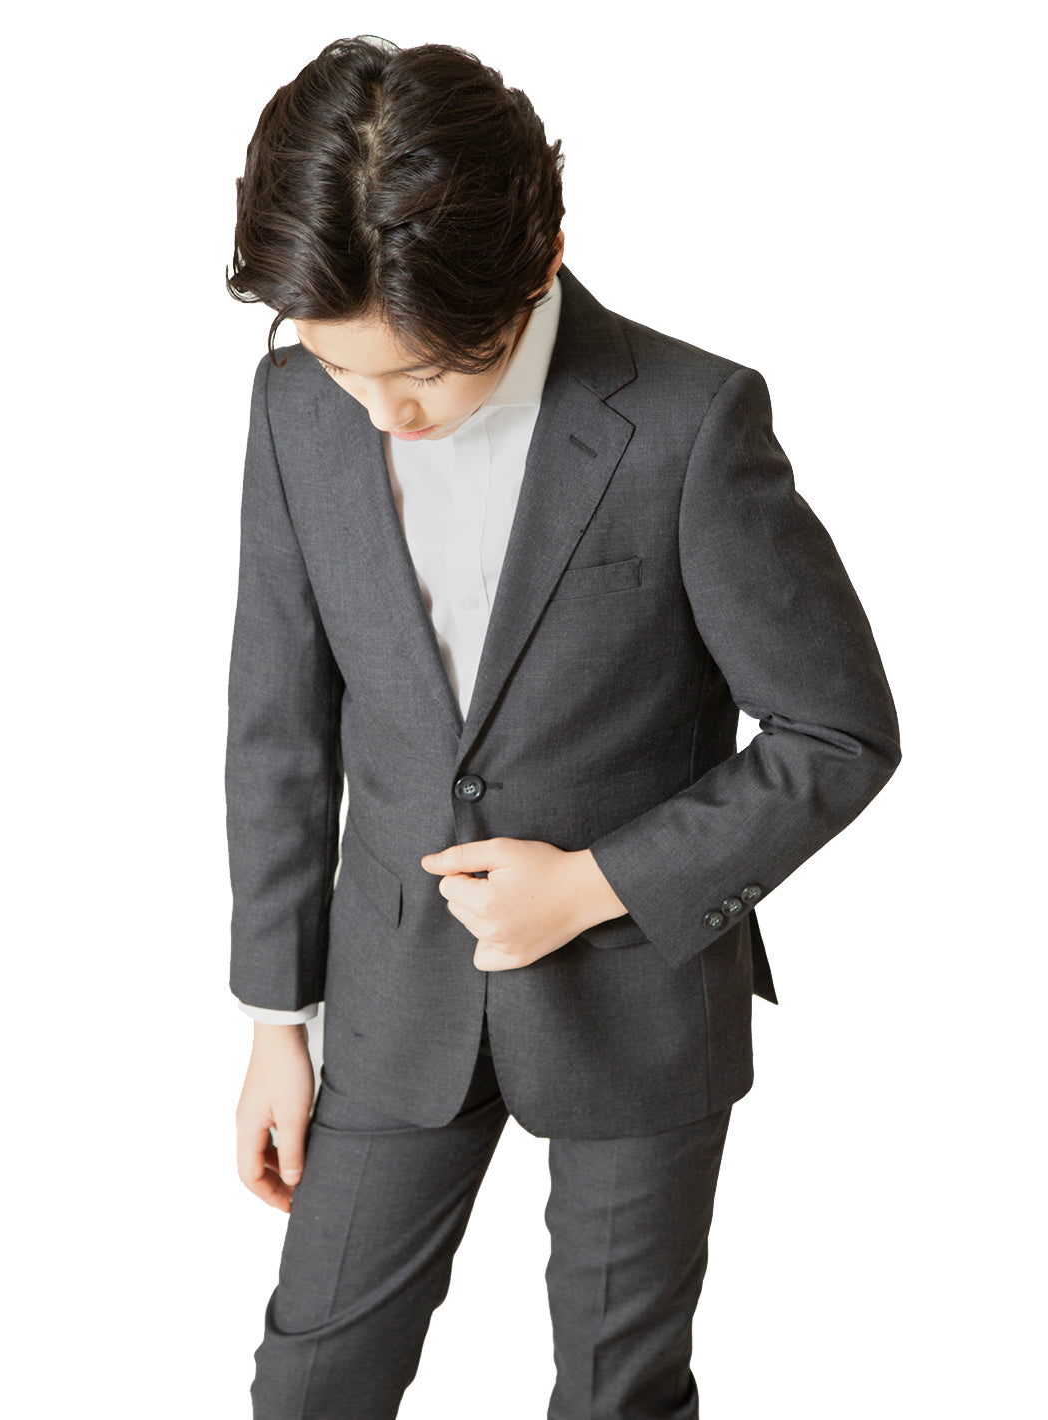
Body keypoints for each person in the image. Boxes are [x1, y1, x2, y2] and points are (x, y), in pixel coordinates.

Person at [224, 35, 901, 1419]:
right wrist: (274, 1020)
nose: (385, 415)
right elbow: (277, 724)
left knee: (615, 1393)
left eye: (424, 375)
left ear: (538, 263)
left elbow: (835, 732)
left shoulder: (690, 422)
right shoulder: (294, 404)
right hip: (390, 995)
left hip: (637, 1000)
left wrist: (594, 885)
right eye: (347, 372)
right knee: (309, 1381)